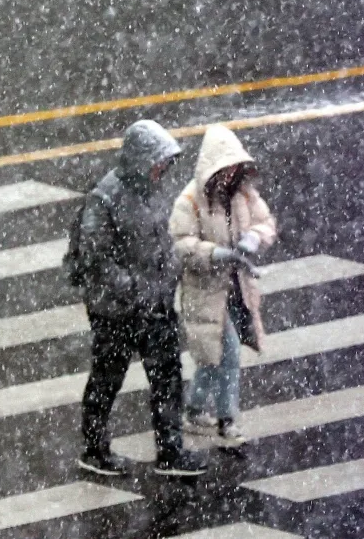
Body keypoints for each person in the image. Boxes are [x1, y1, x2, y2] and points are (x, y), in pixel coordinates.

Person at [77, 119, 208, 477]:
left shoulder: (154, 190)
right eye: (157, 162)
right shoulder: (105, 197)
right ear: (140, 159)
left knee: (167, 376)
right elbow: (96, 256)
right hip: (118, 310)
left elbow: (162, 239)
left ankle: (170, 449)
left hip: (156, 304)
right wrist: (133, 290)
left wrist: (171, 275)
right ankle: (94, 448)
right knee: (108, 376)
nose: (162, 169)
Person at [170, 124, 276, 447]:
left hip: (235, 289)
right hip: (206, 291)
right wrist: (214, 253)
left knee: (213, 355)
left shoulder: (244, 193)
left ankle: (194, 407)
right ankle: (228, 420)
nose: (231, 174)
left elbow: (265, 223)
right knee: (228, 353)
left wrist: (252, 239)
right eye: (225, 168)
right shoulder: (191, 200)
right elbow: (180, 244)